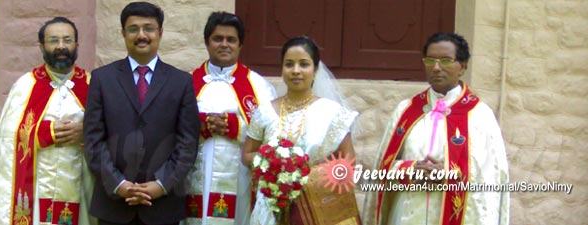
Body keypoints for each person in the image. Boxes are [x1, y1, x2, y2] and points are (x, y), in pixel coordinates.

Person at [362, 33, 509, 225]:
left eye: (446, 61)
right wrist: (410, 170)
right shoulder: (406, 111)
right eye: (430, 60)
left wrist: (449, 173)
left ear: (462, 66)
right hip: (408, 212)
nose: (436, 67)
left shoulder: (480, 115)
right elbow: (383, 168)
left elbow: (493, 176)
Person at [83, 2, 200, 225]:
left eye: (149, 28)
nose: (141, 35)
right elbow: (93, 140)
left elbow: (187, 142)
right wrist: (119, 184)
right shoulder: (102, 79)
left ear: (160, 33)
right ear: (123, 33)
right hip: (114, 205)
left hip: (163, 206)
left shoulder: (181, 81)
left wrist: (162, 184)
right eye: (133, 28)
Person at [0, 17, 96, 225]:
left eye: (67, 40)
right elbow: (8, 136)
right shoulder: (26, 85)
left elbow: (110, 130)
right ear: (42, 46)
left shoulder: (93, 85)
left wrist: (85, 132)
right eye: (53, 40)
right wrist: (47, 132)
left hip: (80, 183)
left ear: (77, 45)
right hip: (35, 186)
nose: (61, 46)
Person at [241, 36, 361, 225]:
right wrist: (274, 165)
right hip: (271, 207)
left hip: (316, 208)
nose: (296, 71)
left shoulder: (333, 112)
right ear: (282, 69)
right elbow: (247, 154)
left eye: (303, 64)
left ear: (315, 70)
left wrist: (304, 175)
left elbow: (348, 163)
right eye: (289, 64)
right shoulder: (265, 111)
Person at [185, 11, 277, 225]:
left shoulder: (259, 86)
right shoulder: (186, 82)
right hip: (195, 173)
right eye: (218, 39)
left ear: (240, 45)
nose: (224, 44)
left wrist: (235, 126)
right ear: (207, 42)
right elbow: (169, 124)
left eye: (231, 40)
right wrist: (201, 124)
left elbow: (271, 133)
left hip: (240, 177)